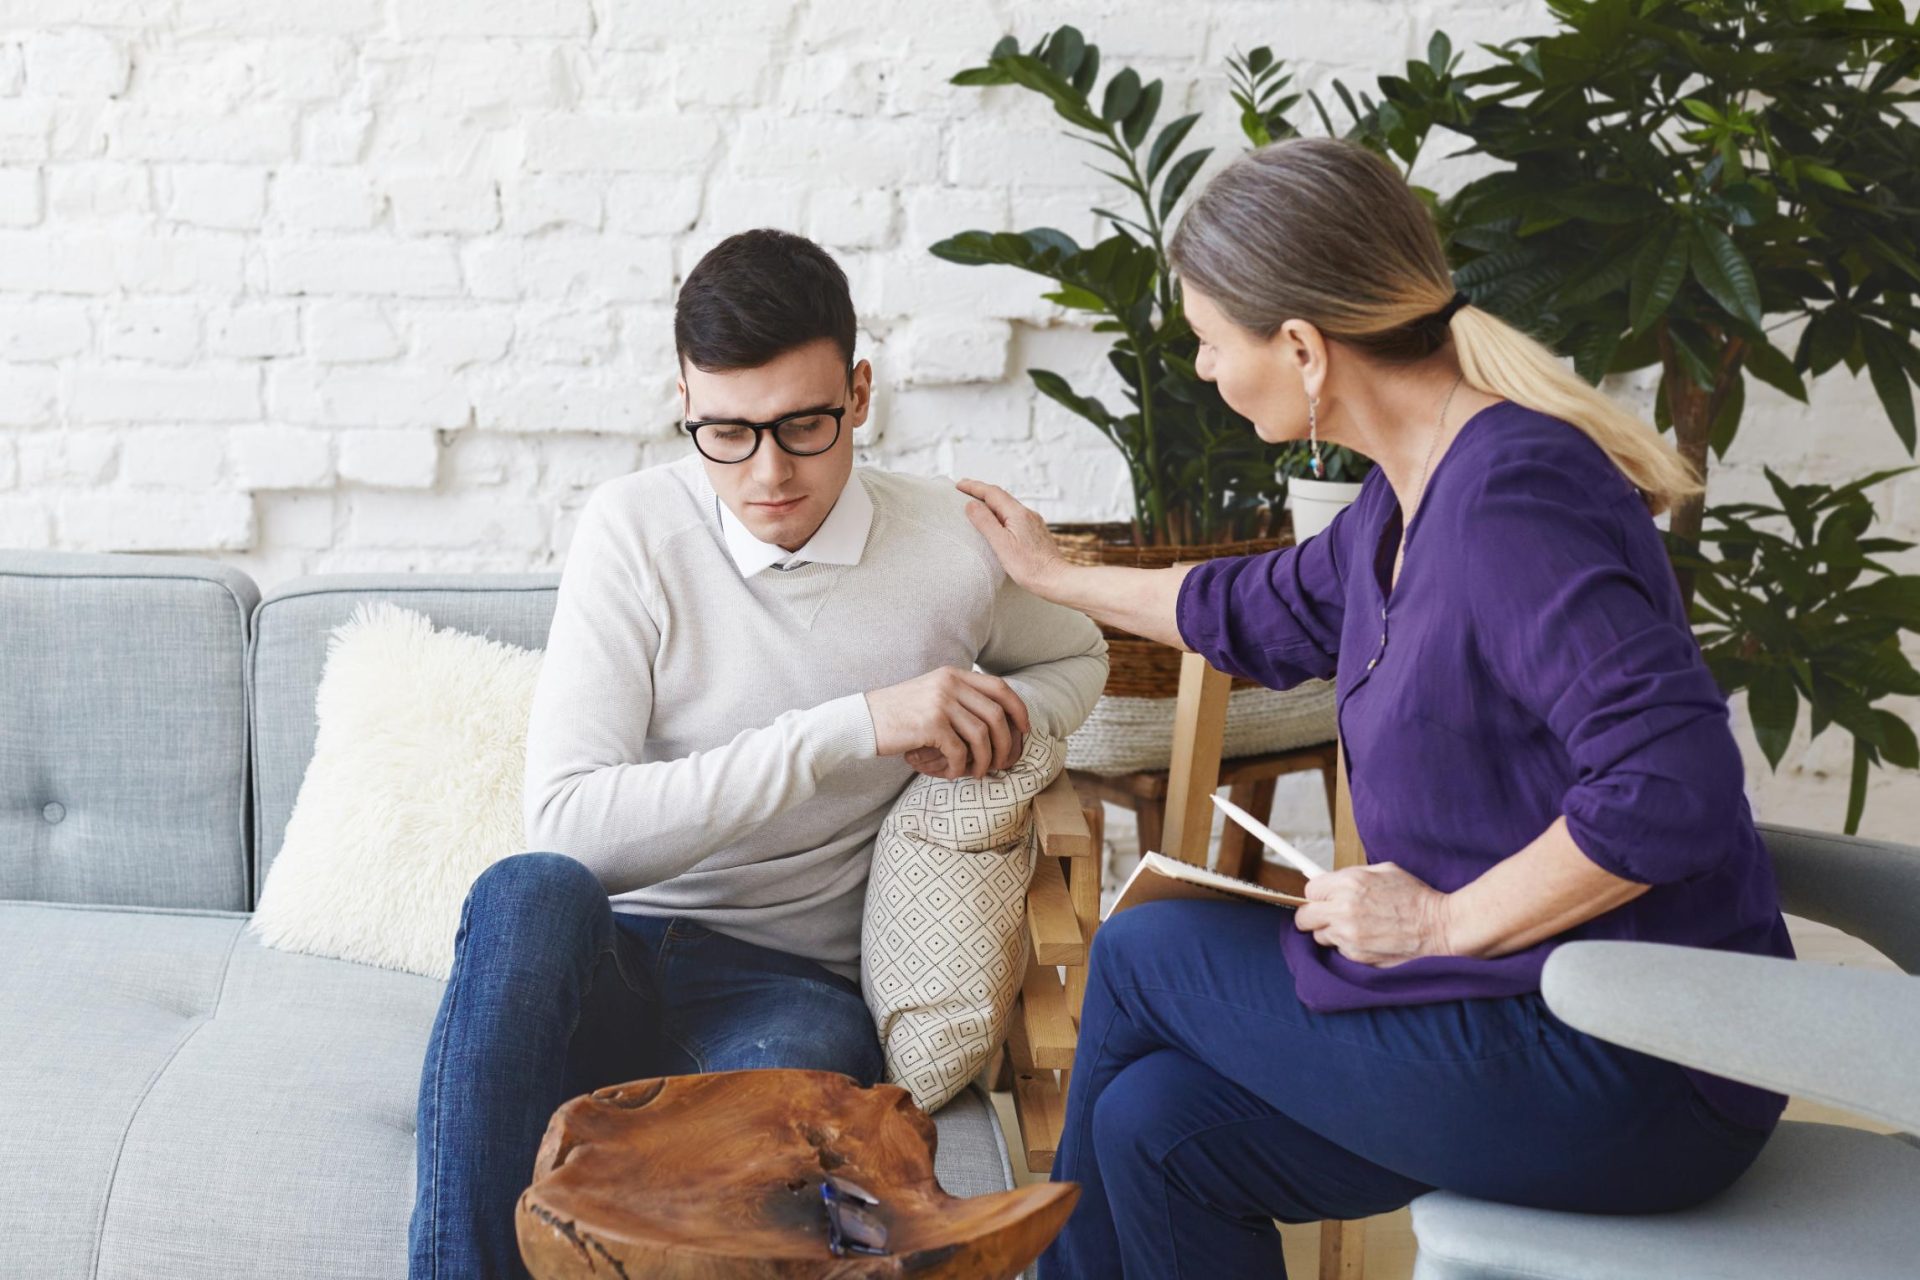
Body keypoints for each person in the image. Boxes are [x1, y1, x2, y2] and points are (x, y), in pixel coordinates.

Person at [958, 137, 1794, 1279]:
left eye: (1210, 340)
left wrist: (1442, 923)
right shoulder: (1404, 498)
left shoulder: (1510, 500)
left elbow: (1671, 790)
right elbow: (1246, 603)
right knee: (1155, 1125)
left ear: (1302, 347)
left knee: (1151, 948)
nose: (1202, 368)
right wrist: (1058, 572)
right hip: (1518, 1015)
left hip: (1636, 1059)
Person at [407, 228, 1109, 1280]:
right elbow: (569, 829)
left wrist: (994, 710)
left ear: (860, 393)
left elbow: (1083, 654)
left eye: (803, 425)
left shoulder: (950, 543)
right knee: (526, 888)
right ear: (685, 404)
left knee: (760, 1197)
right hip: (610, 950)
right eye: (725, 432)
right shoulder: (634, 530)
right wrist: (850, 725)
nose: (768, 471)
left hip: (789, 985)